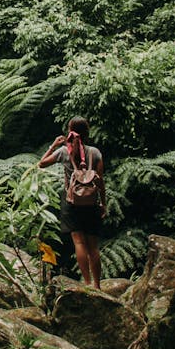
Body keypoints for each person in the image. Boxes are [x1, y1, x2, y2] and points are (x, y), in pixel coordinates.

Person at [38, 116, 106, 289]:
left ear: (70, 131)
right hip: (91, 202)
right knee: (93, 247)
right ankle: (97, 285)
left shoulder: (63, 152)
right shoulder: (95, 153)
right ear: (87, 132)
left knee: (79, 243)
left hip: (71, 202)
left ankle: (87, 282)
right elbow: (100, 181)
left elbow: (41, 164)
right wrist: (103, 203)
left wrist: (53, 145)